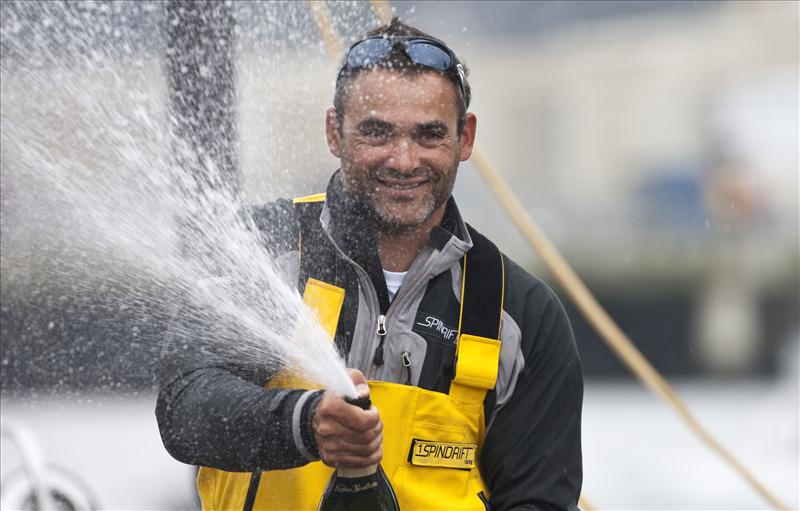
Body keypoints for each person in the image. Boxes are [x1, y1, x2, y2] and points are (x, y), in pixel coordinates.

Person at [157, 17, 583, 511]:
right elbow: (185, 411)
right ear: (334, 132)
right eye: (377, 133)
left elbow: (542, 500)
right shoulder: (256, 254)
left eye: (429, 135)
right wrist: (307, 421)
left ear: (465, 139)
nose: (403, 161)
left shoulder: (522, 314)